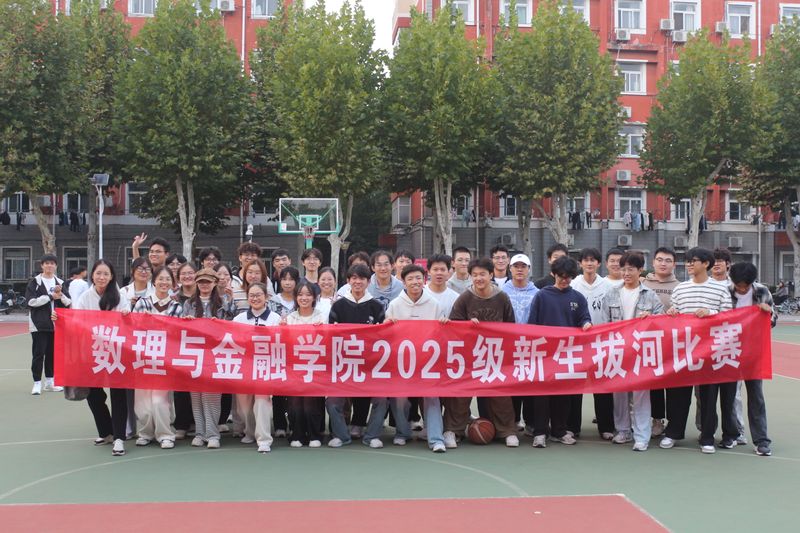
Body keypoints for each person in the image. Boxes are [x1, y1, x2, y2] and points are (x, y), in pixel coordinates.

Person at [661, 247, 732, 453]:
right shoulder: (680, 289)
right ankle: (673, 433)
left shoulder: (720, 289)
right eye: (687, 261)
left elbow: (729, 316)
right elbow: (674, 313)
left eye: (693, 261)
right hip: (684, 350)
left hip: (710, 351)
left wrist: (711, 312)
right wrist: (672, 312)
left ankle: (707, 437)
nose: (689, 265)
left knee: (708, 396)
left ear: (706, 264)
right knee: (678, 394)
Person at [444, 257, 519, 448]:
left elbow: (511, 326)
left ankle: (507, 431)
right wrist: (467, 326)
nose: (478, 278)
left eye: (482, 274)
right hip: (469, 356)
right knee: (460, 393)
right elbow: (454, 326)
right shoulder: (465, 298)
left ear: (491, 275)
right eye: (475, 275)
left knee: (500, 394)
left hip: (495, 355)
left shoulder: (502, 297)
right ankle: (453, 430)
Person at [599, 251, 664, 451]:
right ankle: (623, 430)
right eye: (623, 269)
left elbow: (662, 320)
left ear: (640, 270)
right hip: (618, 350)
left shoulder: (650, 295)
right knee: (619, 393)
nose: (626, 273)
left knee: (640, 395)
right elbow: (604, 323)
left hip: (641, 352)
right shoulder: (611, 293)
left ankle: (642, 436)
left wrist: (651, 318)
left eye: (631, 269)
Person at [527, 256, 592, 448]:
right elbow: (532, 324)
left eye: (568, 277)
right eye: (561, 276)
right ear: (553, 274)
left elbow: (584, 318)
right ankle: (540, 432)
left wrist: (586, 323)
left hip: (567, 354)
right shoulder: (542, 295)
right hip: (544, 353)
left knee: (563, 395)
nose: (564, 280)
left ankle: (559, 431)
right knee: (541, 395)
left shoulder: (578, 297)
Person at [384, 264, 447, 453]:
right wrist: (386, 324)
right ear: (403, 282)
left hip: (428, 363)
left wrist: (444, 323)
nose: (415, 282)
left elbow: (442, 334)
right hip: (402, 363)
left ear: (424, 280)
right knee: (399, 398)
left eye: (418, 278)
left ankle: (436, 439)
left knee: (432, 398)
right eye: (410, 279)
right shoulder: (395, 305)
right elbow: (386, 334)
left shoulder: (434, 304)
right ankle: (402, 432)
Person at [73, 260, 131, 456]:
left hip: (116, 351)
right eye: (98, 273)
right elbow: (76, 321)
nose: (102, 277)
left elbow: (128, 320)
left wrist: (126, 314)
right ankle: (106, 432)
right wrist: (59, 319)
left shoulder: (120, 296)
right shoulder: (85, 297)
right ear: (92, 275)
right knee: (93, 395)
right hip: (93, 351)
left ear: (112, 276)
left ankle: (119, 438)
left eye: (106, 274)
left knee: (118, 395)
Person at [326, 264, 386, 447]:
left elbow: (384, 337)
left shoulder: (377, 306)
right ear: (348, 281)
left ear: (368, 282)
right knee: (332, 401)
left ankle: (372, 436)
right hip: (344, 365)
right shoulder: (338, 306)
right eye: (354, 278)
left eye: (362, 278)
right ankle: (341, 435)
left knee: (383, 399)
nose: (357, 282)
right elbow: (331, 336)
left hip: (371, 366)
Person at [728, 261, 777, 456]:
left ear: (752, 282)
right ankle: (732, 434)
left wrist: (768, 313)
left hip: (754, 351)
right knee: (729, 395)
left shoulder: (762, 291)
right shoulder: (726, 292)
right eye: (738, 286)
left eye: (745, 286)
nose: (742, 289)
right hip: (729, 350)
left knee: (756, 395)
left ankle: (761, 440)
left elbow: (773, 320)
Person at [132, 266, 182, 449]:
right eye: (161, 279)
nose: (164, 282)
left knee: (160, 400)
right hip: (143, 358)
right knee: (143, 402)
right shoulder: (142, 303)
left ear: (172, 283)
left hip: (165, 360)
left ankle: (165, 434)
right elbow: (133, 328)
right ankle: (145, 432)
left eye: (168, 279)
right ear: (154, 282)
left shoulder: (176, 307)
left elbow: (176, 333)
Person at [181, 268, 231, 449]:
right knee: (196, 396)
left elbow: (231, 326)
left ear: (215, 283)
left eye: (208, 281)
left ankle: (212, 434)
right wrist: (186, 322)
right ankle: (200, 433)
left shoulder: (224, 303)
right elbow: (180, 327)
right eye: (201, 281)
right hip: (194, 354)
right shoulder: (189, 303)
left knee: (212, 396)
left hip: (215, 354)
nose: (204, 285)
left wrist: (219, 324)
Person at [570, 248, 614, 440]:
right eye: (586, 260)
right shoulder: (573, 284)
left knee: (603, 385)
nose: (589, 263)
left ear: (598, 263)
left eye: (593, 260)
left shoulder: (607, 286)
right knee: (575, 386)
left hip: (601, 342)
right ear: (580, 263)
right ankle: (572, 427)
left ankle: (606, 427)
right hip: (577, 343)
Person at [232, 282, 280, 453]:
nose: (255, 298)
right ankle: (250, 431)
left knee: (261, 402)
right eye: (251, 295)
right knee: (243, 406)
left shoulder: (275, 318)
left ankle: (264, 439)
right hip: (244, 368)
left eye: (259, 295)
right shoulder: (238, 319)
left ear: (266, 297)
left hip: (265, 367)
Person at [642, 247, 680, 438]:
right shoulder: (643, 283)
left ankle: (673, 423)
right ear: (653, 262)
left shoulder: (680, 286)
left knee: (673, 385)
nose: (663, 263)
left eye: (667, 260)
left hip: (673, 343)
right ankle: (657, 420)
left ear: (674, 264)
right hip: (649, 342)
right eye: (659, 259)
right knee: (653, 383)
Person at [285, 280, 328, 448]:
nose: (304, 298)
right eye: (300, 294)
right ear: (295, 297)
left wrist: (323, 329)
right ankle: (296, 434)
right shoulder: (289, 318)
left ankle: (315, 434)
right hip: (294, 369)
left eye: (308, 294)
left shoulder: (321, 317)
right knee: (295, 403)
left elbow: (328, 340)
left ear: (314, 297)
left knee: (312, 402)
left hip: (315, 368)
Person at [502, 254, 539, 433]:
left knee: (529, 383)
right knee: (512, 383)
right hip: (508, 346)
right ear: (510, 269)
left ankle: (530, 422)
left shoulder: (537, 293)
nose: (519, 269)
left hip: (530, 346)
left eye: (523, 266)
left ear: (529, 270)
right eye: (516, 266)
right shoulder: (501, 291)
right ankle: (514, 420)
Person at [26, 254, 71, 395]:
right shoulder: (35, 282)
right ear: (42, 265)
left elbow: (68, 303)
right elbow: (31, 302)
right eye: (47, 263)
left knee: (52, 354)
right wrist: (50, 297)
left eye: (52, 263)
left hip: (56, 324)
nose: (49, 266)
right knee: (38, 354)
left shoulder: (60, 283)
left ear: (56, 266)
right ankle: (37, 383)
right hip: (38, 324)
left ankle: (50, 382)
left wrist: (60, 294)